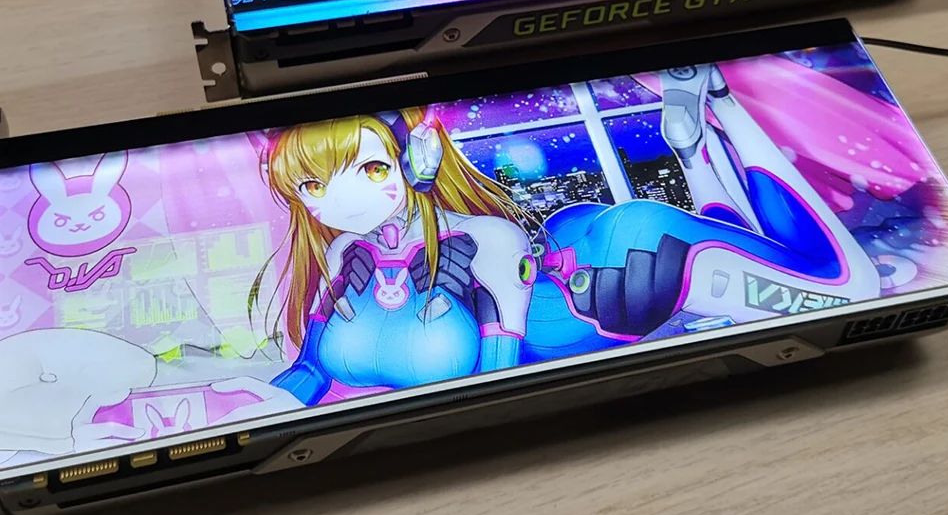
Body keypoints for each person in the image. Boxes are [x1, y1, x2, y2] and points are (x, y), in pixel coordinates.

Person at [525, 63, 884, 361]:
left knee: (851, 289)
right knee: (773, 259)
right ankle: (711, 121)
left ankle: (704, 131)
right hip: (568, 241)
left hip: (572, 305)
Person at [252, 108, 537, 405]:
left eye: (373, 169)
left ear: (419, 160)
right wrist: (271, 408)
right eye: (314, 186)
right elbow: (310, 371)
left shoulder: (486, 239)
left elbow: (498, 385)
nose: (343, 201)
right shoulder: (343, 251)